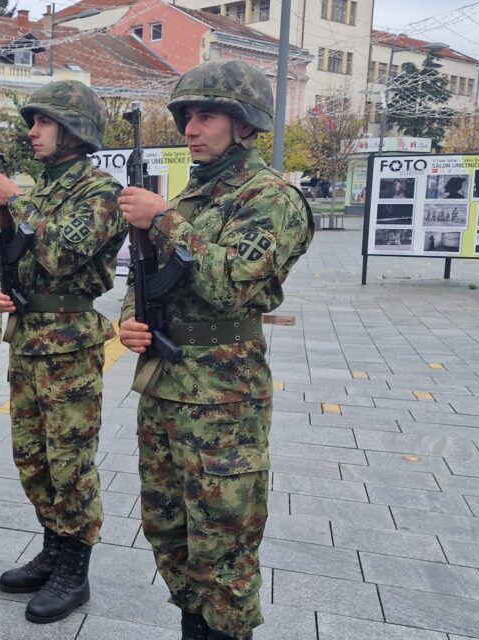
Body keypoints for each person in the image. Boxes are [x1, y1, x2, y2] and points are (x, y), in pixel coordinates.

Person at [116, 60, 314, 640]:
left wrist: (166, 220)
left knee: (222, 538)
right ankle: (192, 627)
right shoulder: (197, 194)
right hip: (166, 384)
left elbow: (231, 283)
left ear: (244, 124)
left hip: (224, 401)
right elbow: (146, 274)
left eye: (207, 116)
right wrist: (131, 321)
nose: (191, 129)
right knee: (168, 525)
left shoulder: (270, 197)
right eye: (187, 117)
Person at [0, 80, 128, 624]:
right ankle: (52, 546)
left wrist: (13, 202)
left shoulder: (100, 192)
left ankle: (75, 568)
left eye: (43, 122)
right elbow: (22, 257)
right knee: (33, 456)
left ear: (75, 130)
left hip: (68, 342)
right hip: (29, 336)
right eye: (33, 121)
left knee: (69, 460)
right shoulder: (42, 191)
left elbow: (65, 251)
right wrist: (8, 290)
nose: (32, 132)